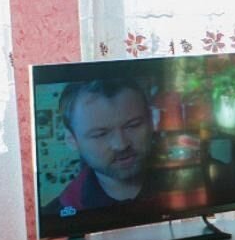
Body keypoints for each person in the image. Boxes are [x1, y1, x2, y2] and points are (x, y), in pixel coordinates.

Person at [43, 78, 155, 216]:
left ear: (152, 121)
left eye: (133, 125)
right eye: (100, 134)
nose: (121, 145)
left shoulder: (180, 187)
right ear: (72, 140)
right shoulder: (54, 215)